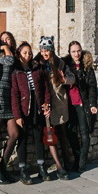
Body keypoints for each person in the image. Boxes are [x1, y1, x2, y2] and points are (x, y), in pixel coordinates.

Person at [9, 41, 48, 184]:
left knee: (38, 138)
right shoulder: (16, 72)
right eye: (25, 53)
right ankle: (23, 170)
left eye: (30, 52)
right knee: (23, 139)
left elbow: (45, 87)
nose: (28, 55)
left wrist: (46, 104)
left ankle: (42, 167)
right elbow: (14, 95)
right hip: (24, 109)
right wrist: (18, 116)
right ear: (19, 54)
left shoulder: (37, 68)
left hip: (37, 108)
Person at [35, 36, 72, 180]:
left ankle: (67, 162)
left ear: (52, 50)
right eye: (42, 50)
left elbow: (72, 78)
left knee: (62, 134)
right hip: (46, 104)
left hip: (60, 103)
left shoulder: (60, 63)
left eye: (47, 50)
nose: (44, 53)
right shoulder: (37, 64)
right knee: (50, 135)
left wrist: (64, 79)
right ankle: (59, 167)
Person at [62, 41, 98, 173]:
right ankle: (77, 160)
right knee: (71, 133)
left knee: (84, 133)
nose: (76, 54)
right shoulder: (65, 66)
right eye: (73, 51)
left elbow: (92, 87)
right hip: (69, 104)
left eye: (78, 51)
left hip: (82, 104)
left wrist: (93, 104)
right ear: (69, 52)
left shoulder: (87, 66)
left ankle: (82, 162)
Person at [0, 31, 19, 184]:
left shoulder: (15, 55)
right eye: (3, 40)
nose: (6, 41)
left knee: (14, 134)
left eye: (8, 39)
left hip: (10, 98)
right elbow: (9, 61)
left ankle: (2, 166)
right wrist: (5, 48)